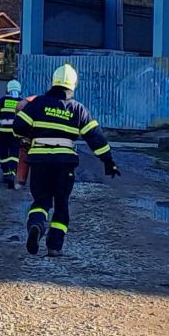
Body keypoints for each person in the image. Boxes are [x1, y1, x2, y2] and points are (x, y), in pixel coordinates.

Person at [11, 62, 118, 257]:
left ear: (53, 82)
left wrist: (31, 130)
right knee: (61, 204)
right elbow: (96, 137)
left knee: (41, 201)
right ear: (73, 86)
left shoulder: (38, 103)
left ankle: (36, 225)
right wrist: (108, 162)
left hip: (40, 161)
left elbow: (18, 128)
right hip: (64, 164)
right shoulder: (78, 109)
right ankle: (54, 246)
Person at [0, 78, 24, 188]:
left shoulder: (2, 100)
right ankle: (12, 173)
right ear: (19, 90)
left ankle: (5, 174)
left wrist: (1, 112)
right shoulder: (21, 102)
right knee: (14, 153)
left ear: (8, 89)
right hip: (16, 132)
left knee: (3, 153)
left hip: (3, 132)